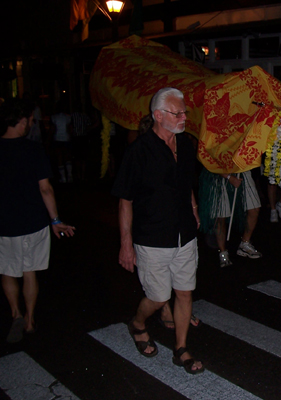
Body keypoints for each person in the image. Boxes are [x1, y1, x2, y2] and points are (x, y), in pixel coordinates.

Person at [112, 87, 204, 374]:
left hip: (184, 234)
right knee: (159, 297)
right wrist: (126, 244)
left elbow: (185, 181)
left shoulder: (185, 145)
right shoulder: (138, 152)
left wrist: (193, 208)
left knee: (186, 292)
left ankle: (181, 349)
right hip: (152, 237)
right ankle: (138, 323)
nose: (184, 117)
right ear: (158, 115)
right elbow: (125, 199)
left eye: (184, 112)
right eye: (178, 113)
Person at [0, 98, 76, 343]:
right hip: (33, 221)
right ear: (22, 122)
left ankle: (16, 313)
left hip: (4, 223)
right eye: (30, 121)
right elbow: (45, 189)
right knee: (29, 271)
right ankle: (31, 319)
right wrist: (55, 220)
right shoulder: (33, 150)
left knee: (8, 271)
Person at [198, 170, 262, 267]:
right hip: (218, 172)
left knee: (254, 207)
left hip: (242, 169)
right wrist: (228, 177)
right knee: (220, 215)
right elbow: (207, 158)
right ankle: (222, 251)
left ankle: (245, 243)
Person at [50, 100, 73, 183]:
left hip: (57, 139)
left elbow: (52, 130)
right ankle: (69, 175)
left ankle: (63, 177)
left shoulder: (54, 117)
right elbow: (70, 129)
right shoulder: (68, 117)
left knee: (59, 158)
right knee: (67, 157)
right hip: (66, 139)